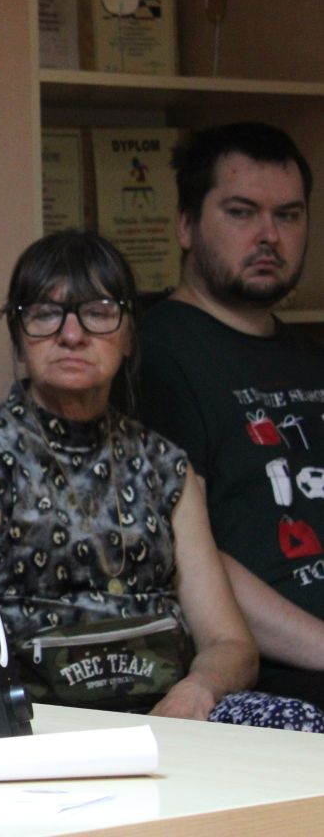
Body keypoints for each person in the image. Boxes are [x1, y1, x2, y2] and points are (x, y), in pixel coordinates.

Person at [0, 230, 321, 728]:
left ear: (127, 336)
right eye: (45, 314)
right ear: (18, 337)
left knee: (301, 724)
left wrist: (198, 690)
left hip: (172, 714)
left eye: (98, 312)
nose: (72, 334)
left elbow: (229, 642)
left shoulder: (165, 465)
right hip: (43, 722)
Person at [137, 122, 324, 708]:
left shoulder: (307, 355)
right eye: (241, 213)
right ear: (186, 226)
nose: (269, 235)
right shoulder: (152, 356)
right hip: (275, 678)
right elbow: (183, 554)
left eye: (288, 216)